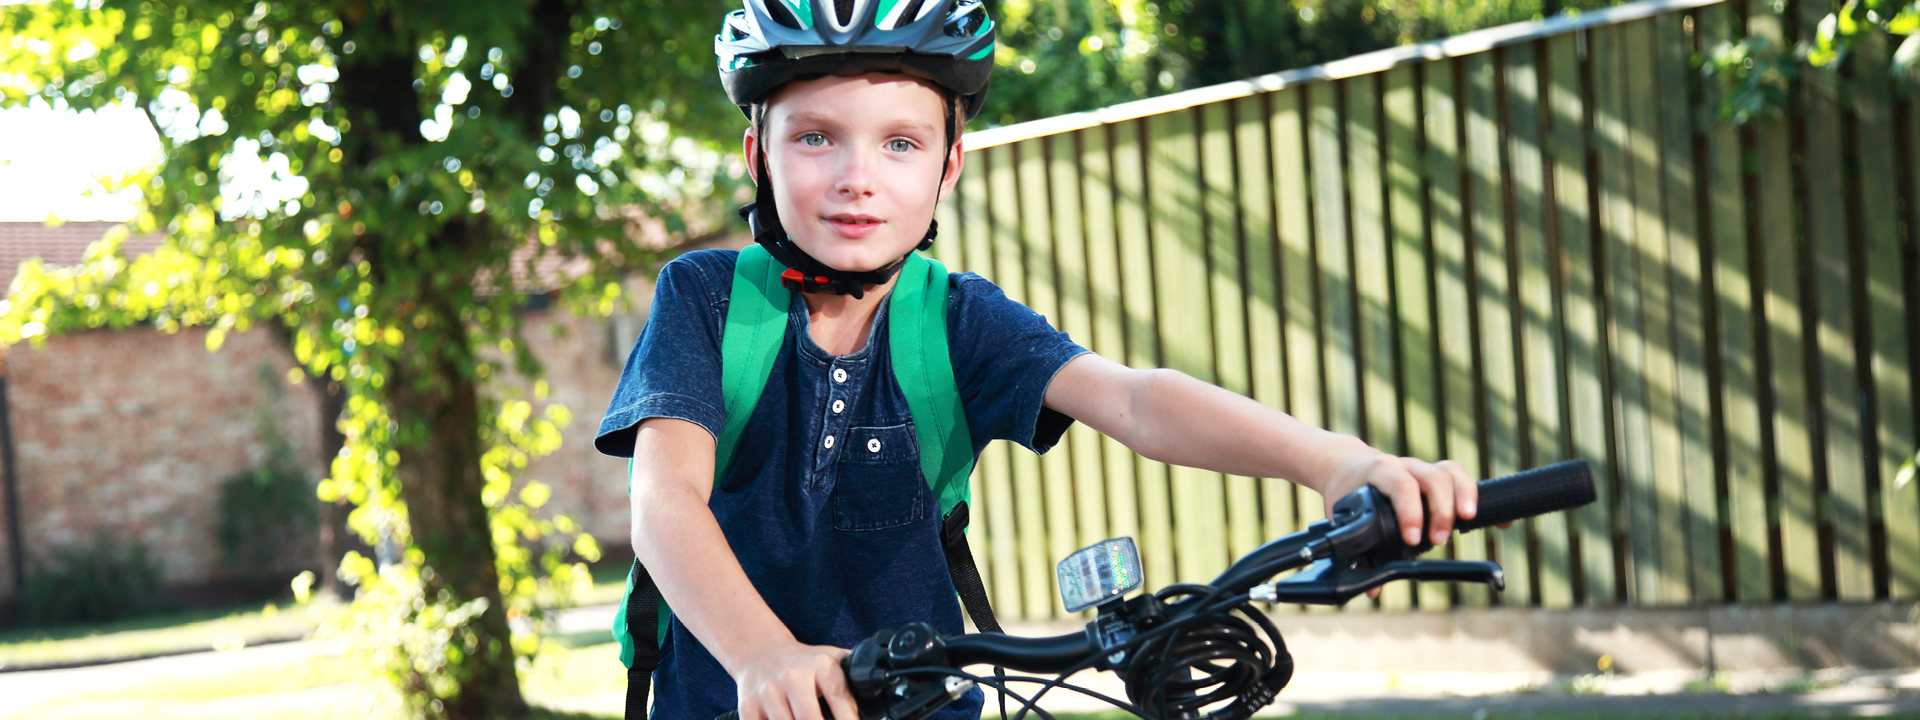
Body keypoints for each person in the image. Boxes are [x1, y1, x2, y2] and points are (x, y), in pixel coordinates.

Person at [593, 1, 1484, 719]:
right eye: (815, 136)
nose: (856, 176)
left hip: (924, 702)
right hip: (727, 700)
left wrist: (1340, 462)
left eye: (900, 143)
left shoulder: (955, 320)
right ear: (759, 155)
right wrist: (763, 655)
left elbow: (1136, 401)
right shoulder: (706, 297)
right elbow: (664, 500)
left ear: (948, 169)